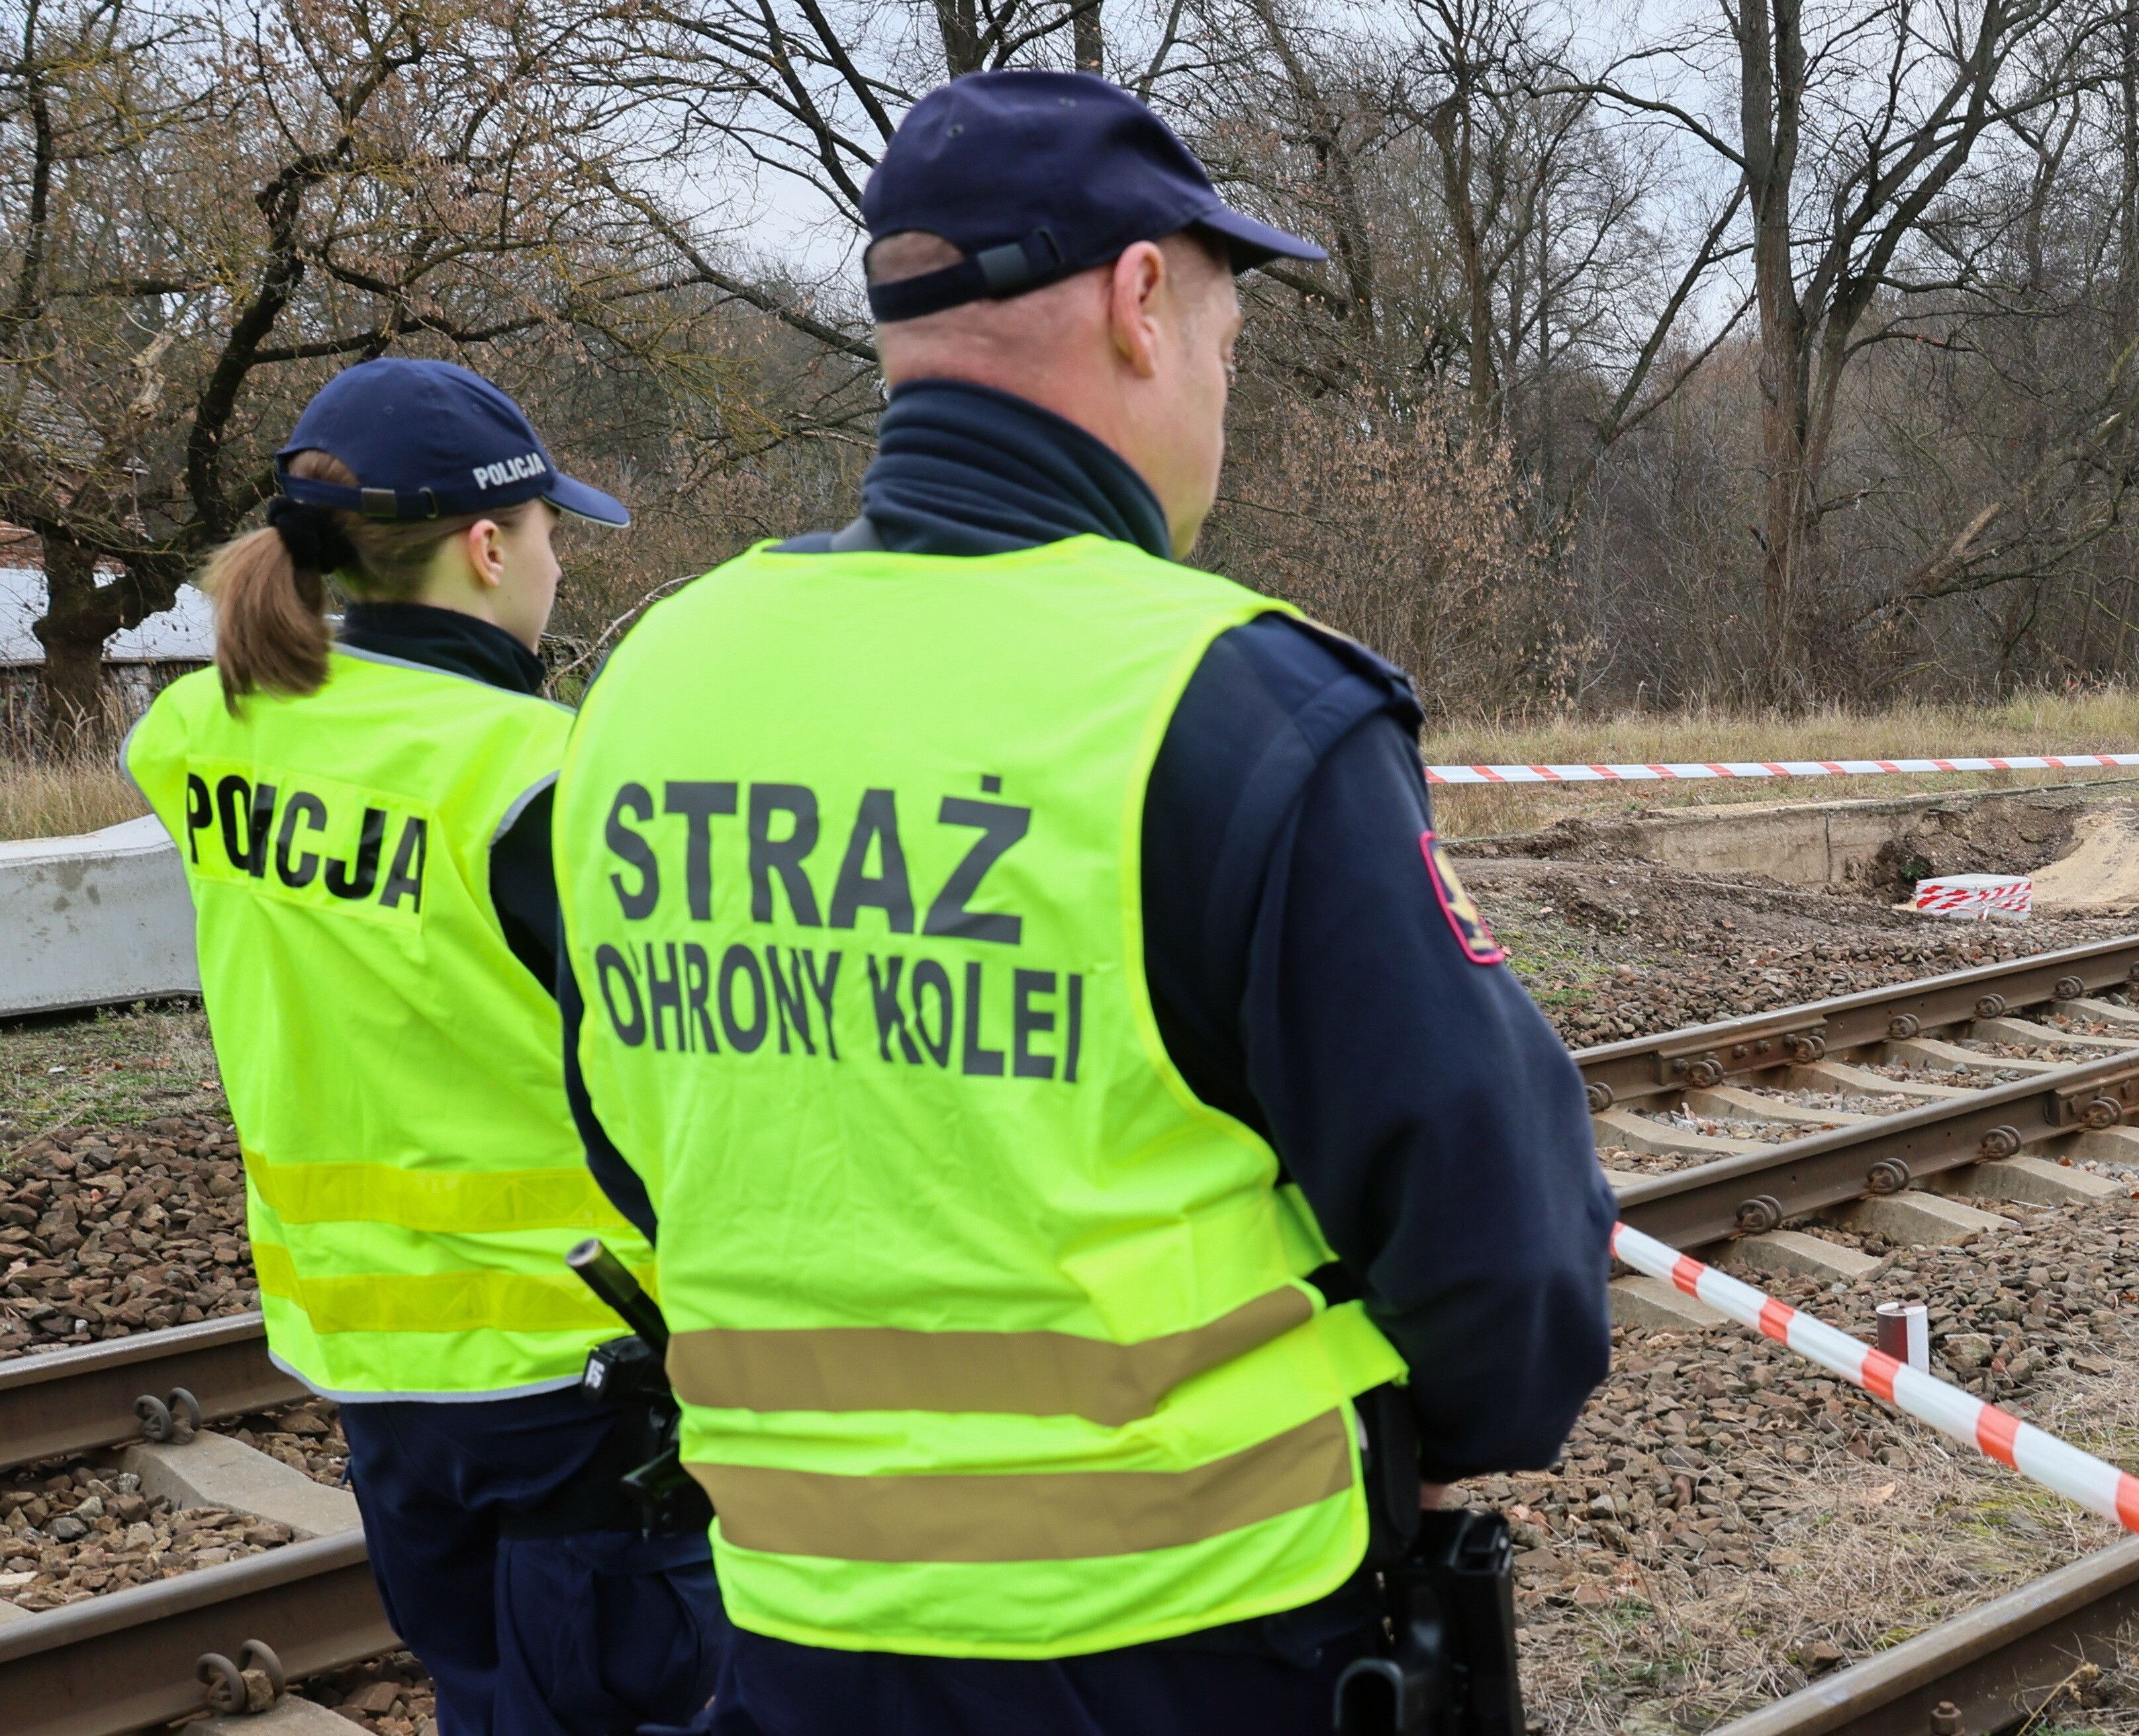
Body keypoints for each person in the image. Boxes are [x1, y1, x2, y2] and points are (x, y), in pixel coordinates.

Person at [548, 70, 1616, 1733]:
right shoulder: (1233, 700)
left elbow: (629, 1132)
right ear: (1138, 303)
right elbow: (1502, 1237)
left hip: (792, 1631)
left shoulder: (655, 678)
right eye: (1224, 346)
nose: (1218, 396)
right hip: (1195, 1641)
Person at [121, 358, 726, 1734]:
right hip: (573, 1377)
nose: (560, 567)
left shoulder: (212, 733)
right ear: (490, 544)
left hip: (370, 1369)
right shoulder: (538, 775)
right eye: (556, 535)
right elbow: (668, 1087)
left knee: (482, 1697)